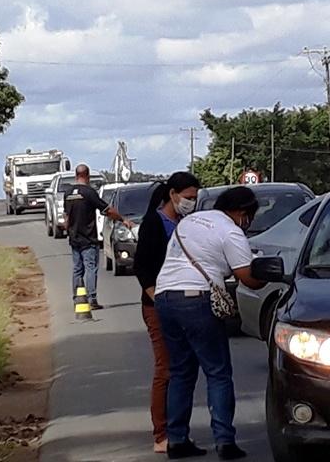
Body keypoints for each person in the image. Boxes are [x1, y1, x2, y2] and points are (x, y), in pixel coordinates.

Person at [154, 187, 267, 460]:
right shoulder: (231, 231)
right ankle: (225, 441)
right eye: (249, 216)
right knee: (217, 372)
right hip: (197, 300)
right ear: (242, 213)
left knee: (181, 371)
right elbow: (247, 277)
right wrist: (270, 275)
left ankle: (177, 439)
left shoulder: (191, 221)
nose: (248, 222)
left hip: (165, 297)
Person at [133, 171, 201, 454]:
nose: (192, 203)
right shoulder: (153, 223)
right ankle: (161, 433)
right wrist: (157, 299)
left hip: (184, 306)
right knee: (166, 368)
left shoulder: (186, 223)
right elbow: (142, 267)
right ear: (173, 194)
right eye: (188, 198)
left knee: (184, 367)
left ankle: (177, 432)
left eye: (195, 199)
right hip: (158, 306)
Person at [64, 164, 131, 310]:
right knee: (90, 268)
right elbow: (107, 210)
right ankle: (91, 299)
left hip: (74, 238)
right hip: (88, 238)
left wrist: (68, 230)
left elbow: (66, 218)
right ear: (87, 176)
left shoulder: (68, 193)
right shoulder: (89, 193)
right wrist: (123, 219)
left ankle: (77, 299)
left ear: (76, 176)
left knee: (77, 269)